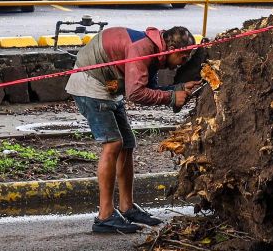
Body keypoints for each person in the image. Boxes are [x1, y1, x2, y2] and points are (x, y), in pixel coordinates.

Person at [65, 26, 200, 233]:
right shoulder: (143, 49)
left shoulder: (156, 51)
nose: (182, 63)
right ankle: (105, 216)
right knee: (113, 144)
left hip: (110, 86)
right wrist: (171, 97)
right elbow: (136, 93)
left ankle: (127, 207)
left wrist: (177, 89)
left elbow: (149, 88)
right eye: (183, 57)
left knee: (127, 144)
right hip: (91, 85)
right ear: (172, 49)